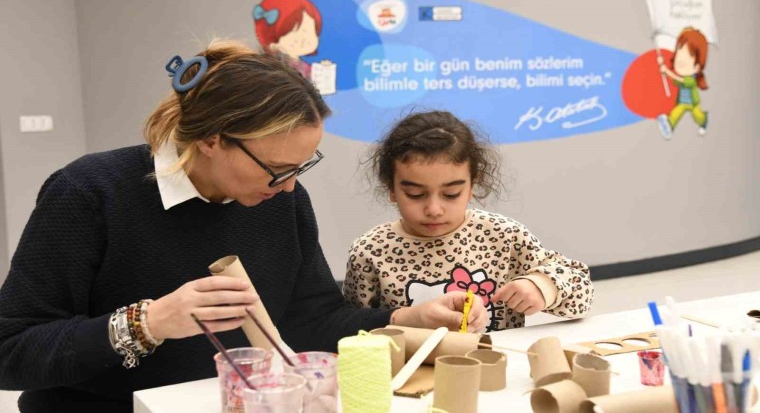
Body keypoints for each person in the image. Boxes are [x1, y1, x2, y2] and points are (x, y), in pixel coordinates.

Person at [0, 41, 486, 412]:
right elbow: (11, 352)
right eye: (277, 169)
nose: (290, 186)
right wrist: (150, 322)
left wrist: (405, 319)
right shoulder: (90, 192)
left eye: (302, 166)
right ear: (212, 140)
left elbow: (310, 322)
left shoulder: (280, 201)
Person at [343, 111, 594, 332]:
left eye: (451, 194)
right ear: (392, 188)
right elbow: (348, 326)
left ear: (472, 185)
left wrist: (543, 286)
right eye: (415, 194)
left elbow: (582, 295)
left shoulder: (504, 236)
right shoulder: (371, 251)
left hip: (495, 367)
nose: (434, 210)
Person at [656, 27, 710, 140]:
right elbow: (676, 81)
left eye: (688, 57)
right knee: (675, 113)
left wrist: (667, 71)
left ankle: (704, 121)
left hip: (693, 104)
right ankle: (669, 126)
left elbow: (680, 80)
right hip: (682, 102)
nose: (680, 61)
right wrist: (664, 70)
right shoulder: (681, 77)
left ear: (697, 67)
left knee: (698, 117)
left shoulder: (691, 80)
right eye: (679, 54)